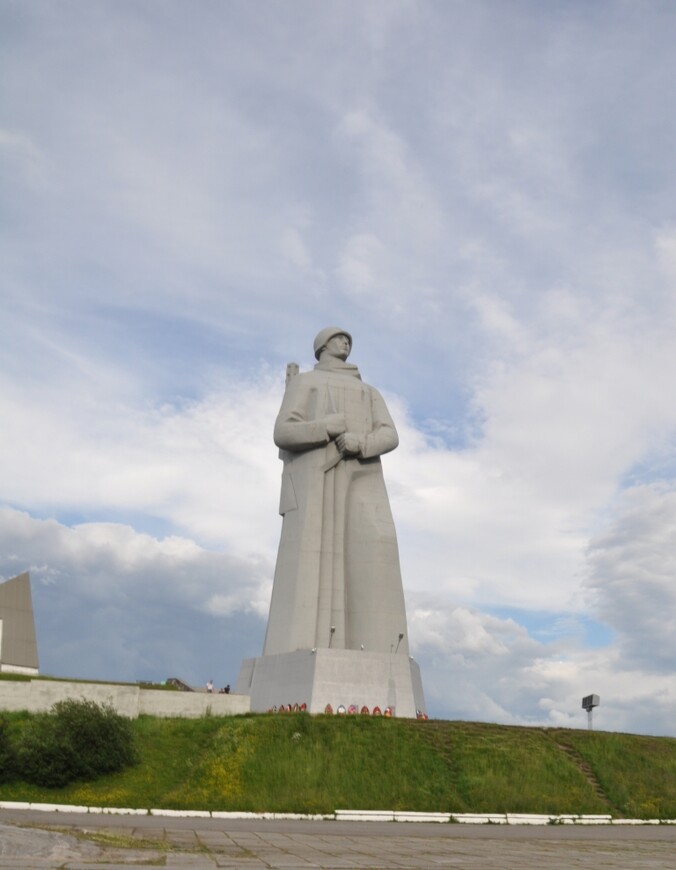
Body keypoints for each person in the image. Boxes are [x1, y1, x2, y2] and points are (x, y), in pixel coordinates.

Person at [262, 327, 409, 657]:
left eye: (349, 340)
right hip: (317, 481)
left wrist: (363, 442)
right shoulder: (305, 383)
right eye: (339, 338)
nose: (346, 343)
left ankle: (381, 652)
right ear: (323, 346)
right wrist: (325, 427)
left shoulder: (368, 392)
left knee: (376, 550)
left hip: (363, 475)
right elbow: (283, 431)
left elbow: (390, 434)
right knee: (311, 568)